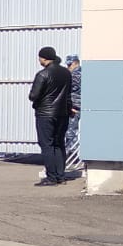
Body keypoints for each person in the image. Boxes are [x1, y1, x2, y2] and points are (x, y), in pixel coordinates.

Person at [29, 46, 71, 187]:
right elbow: (68, 94)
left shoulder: (42, 74)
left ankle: (51, 177)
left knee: (47, 145)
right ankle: (60, 175)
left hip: (45, 114)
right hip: (63, 113)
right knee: (59, 144)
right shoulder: (66, 73)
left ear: (43, 58)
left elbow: (33, 95)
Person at [63, 53, 82, 173]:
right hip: (81, 107)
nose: (68, 67)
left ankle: (72, 158)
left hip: (75, 107)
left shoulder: (74, 75)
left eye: (69, 64)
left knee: (70, 133)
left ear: (75, 63)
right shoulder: (85, 72)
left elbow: (69, 90)